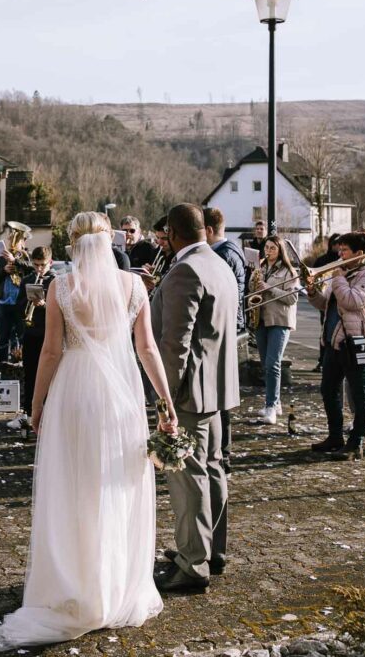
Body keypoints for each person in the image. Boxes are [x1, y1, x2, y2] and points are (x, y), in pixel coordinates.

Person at [0, 211, 177, 650]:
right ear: (110, 243)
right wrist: (165, 404)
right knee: (116, 486)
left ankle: (78, 585)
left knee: (75, 488)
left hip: (74, 392)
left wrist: (36, 404)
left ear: (73, 245)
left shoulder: (61, 287)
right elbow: (147, 348)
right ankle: (114, 587)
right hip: (120, 395)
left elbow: (50, 352)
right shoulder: (135, 286)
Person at [151, 204, 239, 593]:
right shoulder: (219, 263)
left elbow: (176, 345)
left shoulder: (185, 270)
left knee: (189, 478)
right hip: (218, 388)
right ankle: (211, 550)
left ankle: (192, 564)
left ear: (172, 233)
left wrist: (165, 400)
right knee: (213, 468)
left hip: (188, 394)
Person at [309, 231, 365, 460]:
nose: (340, 254)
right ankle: (335, 436)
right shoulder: (343, 273)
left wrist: (337, 278)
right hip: (333, 342)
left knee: (360, 394)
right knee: (328, 389)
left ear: (359, 253)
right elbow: (325, 303)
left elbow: (353, 301)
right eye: (340, 249)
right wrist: (312, 292)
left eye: (345, 250)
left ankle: (356, 443)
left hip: (356, 342)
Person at [203, 207, 247, 474]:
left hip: (225, 328)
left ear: (208, 230)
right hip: (227, 326)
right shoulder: (227, 251)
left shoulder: (224, 254)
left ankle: (223, 454)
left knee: (221, 395)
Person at [248, 235, 298, 425]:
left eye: (272, 248)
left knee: (272, 364)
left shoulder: (289, 271)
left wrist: (269, 287)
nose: (268, 251)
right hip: (261, 319)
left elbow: (292, 298)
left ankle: (271, 407)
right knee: (266, 365)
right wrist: (254, 279)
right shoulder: (261, 267)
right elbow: (252, 290)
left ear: (280, 251)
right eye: (267, 248)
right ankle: (275, 402)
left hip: (280, 321)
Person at [7, 246, 56, 431]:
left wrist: (45, 304)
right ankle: (28, 414)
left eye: (42, 265)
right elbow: (17, 307)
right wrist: (27, 301)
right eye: (35, 265)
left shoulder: (56, 281)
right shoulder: (28, 280)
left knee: (51, 376)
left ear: (50, 262)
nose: (39, 269)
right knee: (30, 374)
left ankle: (49, 415)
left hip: (49, 334)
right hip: (31, 333)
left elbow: (62, 310)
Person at [0, 226, 33, 370]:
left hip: (20, 303)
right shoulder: (1, 258)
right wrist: (4, 271)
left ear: (23, 242)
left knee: (22, 337)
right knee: (2, 338)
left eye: (17, 239)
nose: (13, 242)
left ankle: (22, 365)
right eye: (11, 239)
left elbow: (32, 269)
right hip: (4, 302)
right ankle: (1, 367)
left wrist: (15, 261)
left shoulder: (27, 256)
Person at [312, 233, 341, 369]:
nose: (338, 247)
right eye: (336, 244)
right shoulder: (322, 260)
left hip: (339, 301)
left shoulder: (344, 261)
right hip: (326, 299)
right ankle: (322, 361)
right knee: (325, 331)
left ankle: (331, 362)